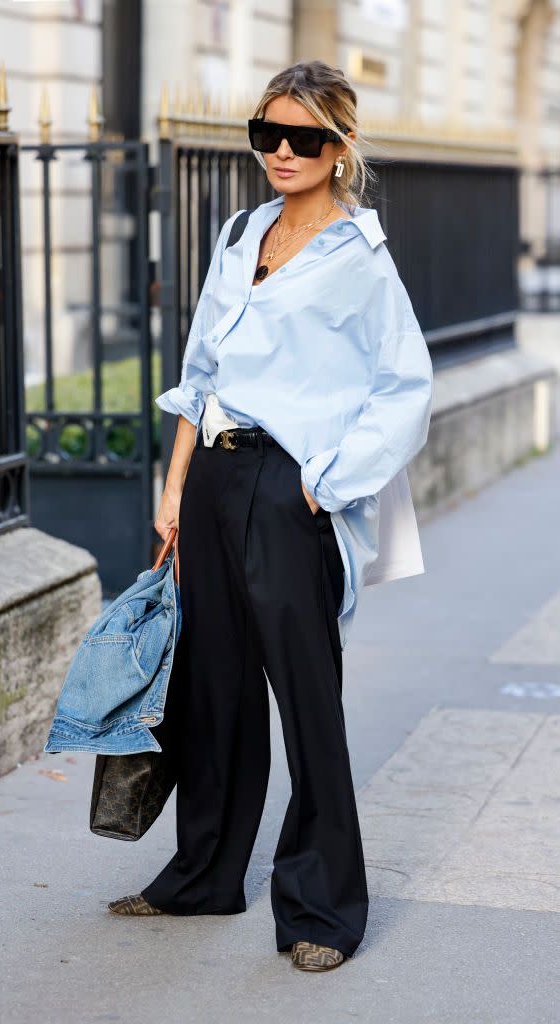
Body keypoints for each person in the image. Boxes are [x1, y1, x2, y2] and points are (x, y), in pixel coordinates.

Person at [108, 60, 433, 973]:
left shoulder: (360, 258)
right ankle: (203, 877)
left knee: (305, 701)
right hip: (210, 481)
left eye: (305, 139)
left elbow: (404, 389)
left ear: (340, 148)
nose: (282, 153)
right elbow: (200, 368)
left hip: (290, 490)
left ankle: (321, 911)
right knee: (210, 693)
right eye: (268, 135)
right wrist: (173, 488)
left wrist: (325, 483)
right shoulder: (241, 230)